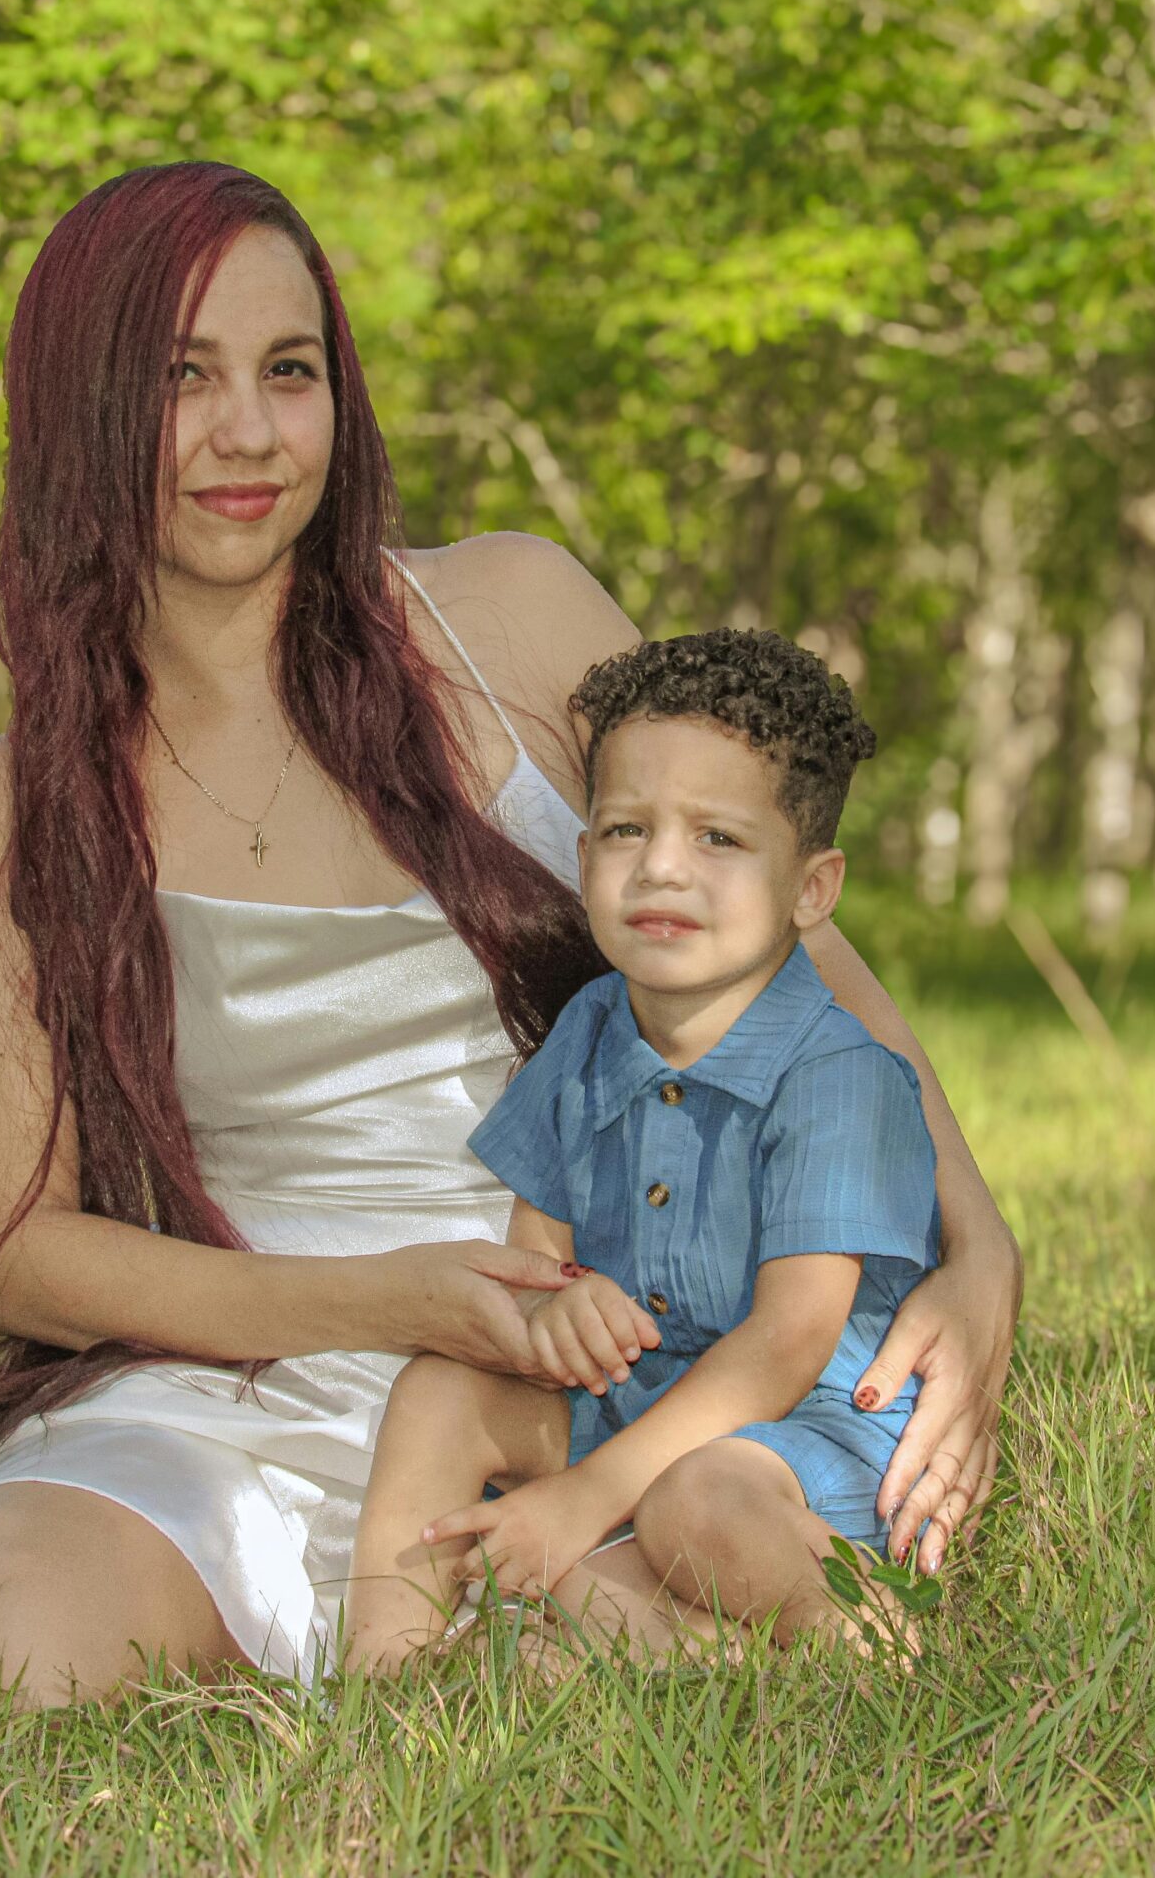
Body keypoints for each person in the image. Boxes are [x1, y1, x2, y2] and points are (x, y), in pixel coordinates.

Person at [0, 161, 1021, 1706]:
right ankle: (414, 1616)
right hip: (243, 1366)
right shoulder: (32, 802)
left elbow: (805, 975)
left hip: (591, 1363)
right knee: (23, 1651)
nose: (250, 435)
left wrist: (982, 1245)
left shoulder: (513, 619)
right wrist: (382, 1299)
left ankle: (531, 1607)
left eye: (291, 371)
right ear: (78, 408)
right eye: (179, 379)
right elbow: (16, 1250)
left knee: (621, 1631)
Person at [345, 630, 937, 1666]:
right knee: (444, 1389)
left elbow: (789, 1346)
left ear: (812, 887)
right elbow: (537, 1258)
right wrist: (556, 1303)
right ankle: (384, 1673)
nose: (661, 866)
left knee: (689, 1504)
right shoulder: (587, 1028)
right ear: (582, 859)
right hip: (631, 1403)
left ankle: (848, 1637)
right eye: (625, 829)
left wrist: (582, 1497)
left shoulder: (837, 1073)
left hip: (793, 1438)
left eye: (718, 838)